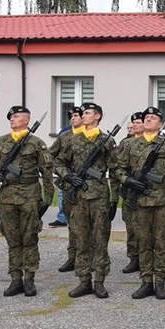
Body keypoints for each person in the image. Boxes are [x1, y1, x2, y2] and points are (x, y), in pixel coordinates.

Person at [0, 105, 55, 297]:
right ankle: (15, 278)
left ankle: (29, 279)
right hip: (8, 195)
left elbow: (47, 172)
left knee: (29, 237)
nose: (12, 119)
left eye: (17, 116)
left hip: (29, 194)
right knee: (12, 238)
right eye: (11, 116)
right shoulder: (1, 142)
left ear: (26, 120)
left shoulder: (37, 143)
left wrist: (47, 198)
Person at [114, 106, 165, 300]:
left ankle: (160, 283)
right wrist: (128, 181)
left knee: (161, 244)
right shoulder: (130, 145)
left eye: (153, 117)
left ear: (160, 124)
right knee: (143, 242)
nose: (149, 119)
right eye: (146, 117)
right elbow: (118, 169)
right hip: (140, 202)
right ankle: (146, 281)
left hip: (162, 201)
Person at [54, 102, 116, 299]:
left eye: (87, 113)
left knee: (100, 239)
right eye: (83, 113)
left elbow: (115, 168)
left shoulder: (106, 140)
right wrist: (68, 176)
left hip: (98, 194)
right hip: (79, 194)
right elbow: (59, 162)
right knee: (81, 238)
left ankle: (99, 281)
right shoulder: (73, 140)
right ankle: (83, 281)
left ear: (97, 116)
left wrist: (115, 197)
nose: (84, 115)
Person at [49, 107, 83, 274]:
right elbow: (50, 156)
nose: (73, 118)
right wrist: (64, 173)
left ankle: (87, 259)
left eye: (77, 115)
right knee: (72, 224)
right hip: (69, 185)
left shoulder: (96, 138)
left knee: (88, 226)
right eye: (72, 115)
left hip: (88, 188)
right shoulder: (64, 136)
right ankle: (73, 257)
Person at [119, 112, 144, 274]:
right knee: (131, 228)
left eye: (138, 122)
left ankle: (146, 259)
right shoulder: (126, 143)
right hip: (129, 193)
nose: (134, 124)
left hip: (147, 194)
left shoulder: (156, 143)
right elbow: (118, 168)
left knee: (146, 229)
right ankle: (134, 258)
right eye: (133, 122)